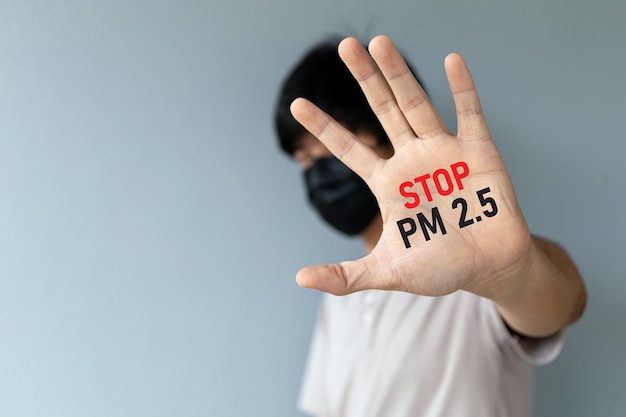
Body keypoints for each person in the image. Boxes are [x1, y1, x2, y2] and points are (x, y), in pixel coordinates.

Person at [274, 35, 587, 417]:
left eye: (335, 149)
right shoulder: (339, 295)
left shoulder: (469, 269)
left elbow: (562, 304)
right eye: (306, 159)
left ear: (391, 137)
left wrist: (514, 272)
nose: (319, 173)